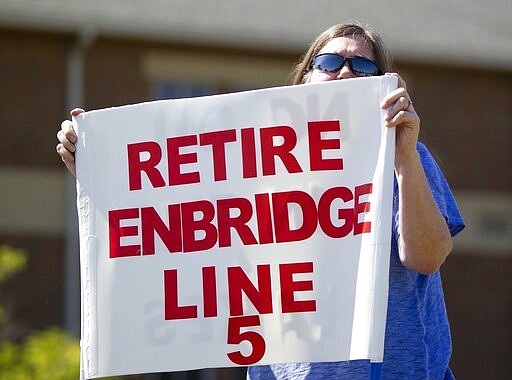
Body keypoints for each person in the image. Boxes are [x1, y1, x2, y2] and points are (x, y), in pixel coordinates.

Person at [56, 23, 465, 380]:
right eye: (328, 63)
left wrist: (405, 156)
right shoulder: (250, 166)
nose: (345, 72)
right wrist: (103, 173)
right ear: (304, 79)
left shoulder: (404, 156)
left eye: (363, 67)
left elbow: (427, 257)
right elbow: (172, 224)